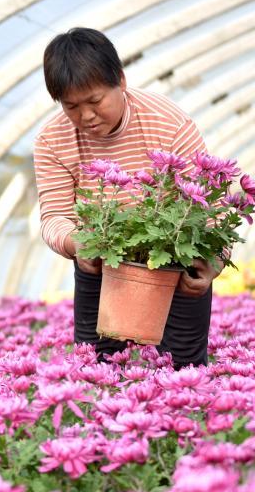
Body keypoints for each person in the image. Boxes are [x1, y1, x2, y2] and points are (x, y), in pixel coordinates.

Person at [33, 27, 224, 368]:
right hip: (99, 265)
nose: (86, 116)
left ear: (120, 80)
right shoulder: (52, 140)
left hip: (175, 265)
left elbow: (208, 206)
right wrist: (78, 243)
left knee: (183, 370)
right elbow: (54, 217)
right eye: (71, 106)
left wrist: (216, 261)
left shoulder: (169, 124)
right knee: (96, 369)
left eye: (94, 101)